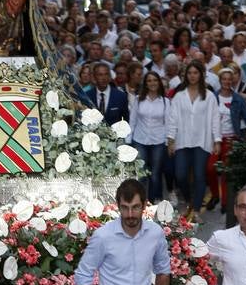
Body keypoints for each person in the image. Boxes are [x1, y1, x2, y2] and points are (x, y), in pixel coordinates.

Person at [166, 60, 221, 223]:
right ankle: (191, 200)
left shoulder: (210, 96)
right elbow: (172, 118)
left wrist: (217, 139)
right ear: (185, 75)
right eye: (189, 73)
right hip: (182, 141)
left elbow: (215, 119)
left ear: (201, 75)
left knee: (199, 176)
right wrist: (170, 139)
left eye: (195, 73)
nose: (192, 76)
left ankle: (196, 210)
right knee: (180, 175)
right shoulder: (179, 95)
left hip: (202, 141)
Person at [206, 69, 246, 213]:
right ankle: (215, 196)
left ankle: (226, 202)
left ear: (232, 81)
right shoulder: (212, 97)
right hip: (214, 138)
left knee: (227, 171)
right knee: (210, 168)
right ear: (220, 80)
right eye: (224, 79)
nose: (227, 82)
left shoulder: (238, 99)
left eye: (229, 79)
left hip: (231, 139)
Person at [129, 72, 168, 203]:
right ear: (145, 83)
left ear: (159, 82)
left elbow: (169, 123)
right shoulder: (138, 99)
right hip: (140, 140)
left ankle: (152, 201)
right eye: (149, 81)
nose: (152, 83)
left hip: (158, 141)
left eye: (155, 80)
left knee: (155, 174)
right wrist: (129, 140)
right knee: (141, 174)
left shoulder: (165, 102)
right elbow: (132, 120)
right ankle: (140, 201)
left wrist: (168, 142)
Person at [85, 61, 129, 125]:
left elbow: (125, 121)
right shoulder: (87, 96)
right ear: (94, 77)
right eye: (100, 75)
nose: (104, 78)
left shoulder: (121, 96)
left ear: (109, 76)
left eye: (106, 74)